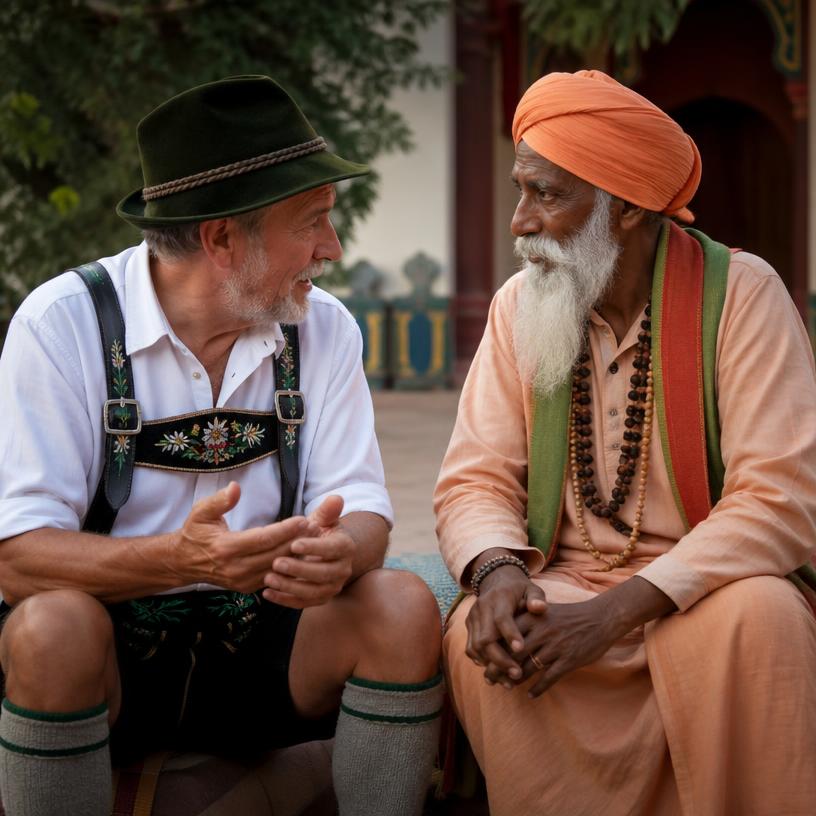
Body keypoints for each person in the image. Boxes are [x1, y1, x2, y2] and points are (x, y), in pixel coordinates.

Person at [0, 75, 443, 816]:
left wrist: (348, 551)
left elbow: (364, 507)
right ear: (221, 238)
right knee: (51, 627)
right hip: (110, 660)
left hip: (265, 647)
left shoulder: (322, 326)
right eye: (313, 222)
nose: (331, 249)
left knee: (401, 604)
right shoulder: (62, 325)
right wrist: (180, 559)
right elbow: (17, 558)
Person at [435, 69, 816, 815]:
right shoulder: (521, 305)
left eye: (548, 194)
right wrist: (501, 573)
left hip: (705, 588)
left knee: (761, 618)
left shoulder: (742, 293)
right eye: (522, 189)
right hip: (561, 581)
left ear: (631, 207)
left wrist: (618, 612)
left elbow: (781, 496)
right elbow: (475, 478)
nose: (520, 221)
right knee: (484, 640)